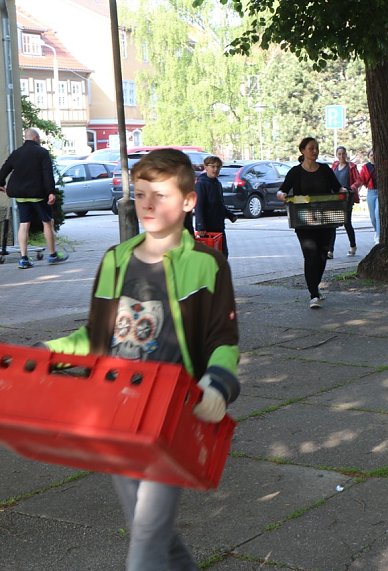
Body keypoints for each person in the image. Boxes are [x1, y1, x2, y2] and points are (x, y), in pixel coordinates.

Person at [41, 148, 240, 570]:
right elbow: (94, 339)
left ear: (189, 201)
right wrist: (44, 356)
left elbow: (223, 338)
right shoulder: (115, 260)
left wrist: (218, 382)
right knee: (150, 530)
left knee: (147, 537)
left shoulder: (209, 265)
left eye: (161, 195)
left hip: (171, 417)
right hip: (117, 414)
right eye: (141, 193)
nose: (148, 205)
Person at [277, 137, 345, 309]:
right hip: (303, 220)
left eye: (316, 148)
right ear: (302, 151)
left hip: (326, 219)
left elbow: (337, 187)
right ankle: (313, 294)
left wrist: (344, 191)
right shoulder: (295, 172)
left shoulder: (325, 170)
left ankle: (315, 285)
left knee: (322, 255)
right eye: (311, 148)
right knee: (310, 254)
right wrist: (281, 196)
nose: (314, 151)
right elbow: (282, 190)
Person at [0, 128, 69, 268]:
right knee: (47, 222)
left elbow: (4, 169)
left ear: (26, 138)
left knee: (24, 224)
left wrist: (0, 184)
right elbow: (47, 173)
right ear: (36, 138)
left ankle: (24, 259)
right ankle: (53, 255)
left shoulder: (16, 153)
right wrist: (51, 192)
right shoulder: (42, 152)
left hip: (20, 195)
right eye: (39, 138)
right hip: (38, 194)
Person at [194, 155, 237, 258]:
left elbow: (219, 204)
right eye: (212, 166)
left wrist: (230, 215)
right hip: (207, 229)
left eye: (218, 167)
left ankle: (220, 274)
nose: (215, 169)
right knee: (211, 257)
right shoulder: (201, 184)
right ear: (206, 167)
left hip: (219, 225)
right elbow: (199, 205)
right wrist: (200, 226)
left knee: (223, 254)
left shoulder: (217, 183)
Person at [328, 146, 361, 258]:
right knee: (333, 224)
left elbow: (358, 180)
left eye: (343, 154)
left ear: (346, 154)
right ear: (337, 155)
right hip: (335, 198)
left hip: (347, 198)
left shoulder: (351, 166)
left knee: (347, 223)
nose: (341, 156)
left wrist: (350, 188)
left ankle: (353, 246)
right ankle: (330, 251)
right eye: (339, 154)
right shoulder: (334, 166)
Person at [359, 149, 380, 244]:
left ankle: (378, 236)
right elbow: (360, 180)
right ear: (368, 157)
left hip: (381, 192)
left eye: (375, 155)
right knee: (372, 217)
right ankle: (377, 231)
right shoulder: (365, 167)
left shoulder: (382, 165)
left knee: (377, 214)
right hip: (371, 192)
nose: (373, 156)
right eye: (371, 155)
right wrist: (356, 191)